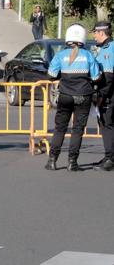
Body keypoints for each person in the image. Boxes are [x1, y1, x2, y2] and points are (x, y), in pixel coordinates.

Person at [45, 24, 101, 171]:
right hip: (83, 96)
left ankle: (52, 160)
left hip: (65, 95)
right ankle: (72, 162)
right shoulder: (88, 55)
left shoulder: (60, 55)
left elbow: (50, 75)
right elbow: (96, 77)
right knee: (77, 130)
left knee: (60, 128)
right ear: (82, 39)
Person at [92, 21, 114, 171]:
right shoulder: (105, 48)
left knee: (108, 126)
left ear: (101, 33)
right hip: (109, 93)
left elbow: (108, 77)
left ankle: (110, 159)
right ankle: (109, 156)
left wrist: (101, 97)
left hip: (109, 95)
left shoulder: (108, 49)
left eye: (95, 32)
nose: (94, 36)